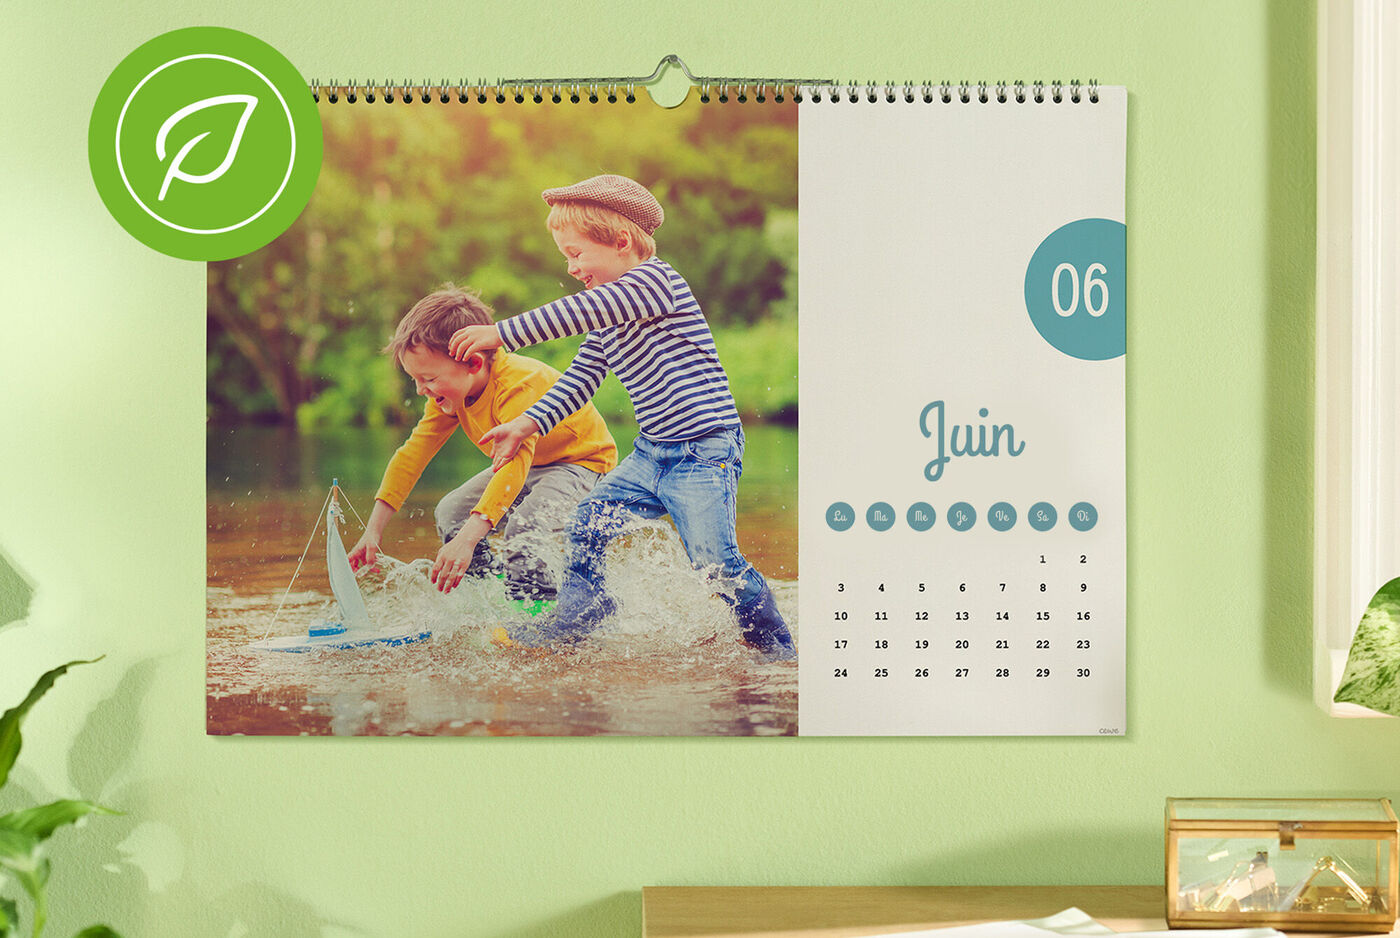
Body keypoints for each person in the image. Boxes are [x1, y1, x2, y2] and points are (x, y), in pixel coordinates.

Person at [448, 174, 795, 658]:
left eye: (575, 253)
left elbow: (574, 313)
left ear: (622, 242)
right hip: (651, 455)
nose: (570, 267)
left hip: (702, 454)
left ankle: (776, 648)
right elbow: (580, 378)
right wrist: (528, 423)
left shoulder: (656, 283)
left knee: (715, 564)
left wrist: (499, 332)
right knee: (588, 521)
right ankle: (586, 607)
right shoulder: (608, 316)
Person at [348, 285, 617, 613]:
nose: (421, 390)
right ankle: (496, 598)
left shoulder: (517, 384)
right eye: (415, 380)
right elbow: (412, 454)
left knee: (524, 530)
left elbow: (514, 465)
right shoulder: (448, 395)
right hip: (526, 463)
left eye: (428, 379)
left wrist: (469, 539)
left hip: (580, 462)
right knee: (451, 515)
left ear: (473, 363)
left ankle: (535, 617)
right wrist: (373, 531)